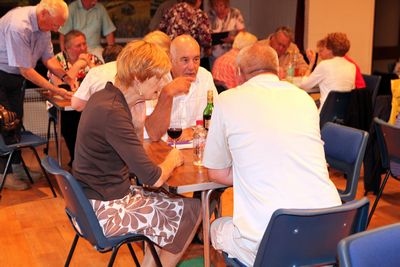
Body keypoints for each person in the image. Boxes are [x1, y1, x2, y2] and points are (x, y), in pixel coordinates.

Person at [202, 41, 342, 266]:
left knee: (215, 228)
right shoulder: (304, 99)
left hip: (273, 242)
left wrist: (252, 174)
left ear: (239, 72)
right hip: (329, 230)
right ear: (277, 69)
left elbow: (216, 173)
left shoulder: (228, 100)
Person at [73, 40, 201, 266]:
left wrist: (138, 122)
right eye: (158, 77)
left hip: (92, 199)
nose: (163, 83)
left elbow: (133, 159)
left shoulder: (106, 98)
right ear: (138, 78)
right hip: (104, 211)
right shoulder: (112, 112)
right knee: (193, 210)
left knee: (174, 205)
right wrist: (173, 157)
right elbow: (153, 178)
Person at [0, 0, 74, 190]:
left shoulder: (44, 27)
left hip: (14, 76)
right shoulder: (19, 25)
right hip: (1, 73)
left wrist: (66, 76)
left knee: (15, 122)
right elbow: (26, 69)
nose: (57, 29)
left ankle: (16, 168)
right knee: (4, 122)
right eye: (56, 24)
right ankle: (3, 175)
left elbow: (48, 58)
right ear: (44, 14)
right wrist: (55, 89)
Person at [71, 32, 193, 142]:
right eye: (157, 75)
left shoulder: (127, 98)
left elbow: (77, 104)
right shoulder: (115, 108)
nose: (161, 83)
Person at [147, 34, 218, 141]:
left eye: (196, 59)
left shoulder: (205, 77)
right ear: (171, 60)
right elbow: (152, 133)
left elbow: (217, 118)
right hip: (164, 149)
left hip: (195, 147)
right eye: (185, 60)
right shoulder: (157, 80)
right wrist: (167, 94)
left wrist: (193, 130)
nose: (192, 67)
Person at [48, 30, 103, 167]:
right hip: (61, 106)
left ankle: (93, 159)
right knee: (71, 118)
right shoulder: (56, 61)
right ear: (67, 48)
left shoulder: (93, 59)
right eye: (78, 46)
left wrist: (90, 66)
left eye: (84, 44)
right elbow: (59, 85)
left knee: (100, 117)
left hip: (86, 105)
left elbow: (102, 81)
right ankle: (77, 159)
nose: (83, 48)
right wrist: (77, 65)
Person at [300, 32, 356, 110]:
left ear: (329, 49)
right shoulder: (352, 67)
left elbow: (304, 85)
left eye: (325, 46)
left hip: (325, 113)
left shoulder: (325, 65)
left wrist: (311, 65)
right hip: (344, 113)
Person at [159, 0, 212, 69]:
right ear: (198, 1)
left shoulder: (172, 10)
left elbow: (161, 29)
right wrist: (208, 50)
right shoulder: (199, 14)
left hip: (172, 52)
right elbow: (205, 38)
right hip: (190, 54)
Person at [207, 0, 245, 66]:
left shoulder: (235, 13)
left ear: (226, 4)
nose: (218, 9)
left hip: (232, 55)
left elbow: (242, 34)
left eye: (221, 5)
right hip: (214, 55)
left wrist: (233, 39)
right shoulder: (209, 15)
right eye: (215, 6)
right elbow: (205, 34)